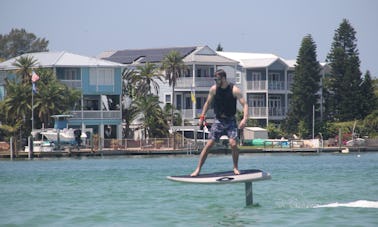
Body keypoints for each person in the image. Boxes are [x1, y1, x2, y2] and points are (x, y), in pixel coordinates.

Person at [190, 69, 248, 176]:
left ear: (224, 78)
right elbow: (207, 103)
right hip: (218, 121)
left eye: (218, 79)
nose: (216, 81)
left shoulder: (234, 90)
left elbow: (245, 104)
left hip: (230, 120)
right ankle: (198, 169)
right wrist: (202, 117)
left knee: (233, 144)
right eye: (215, 79)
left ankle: (235, 168)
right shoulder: (214, 89)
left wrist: (244, 119)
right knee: (209, 145)